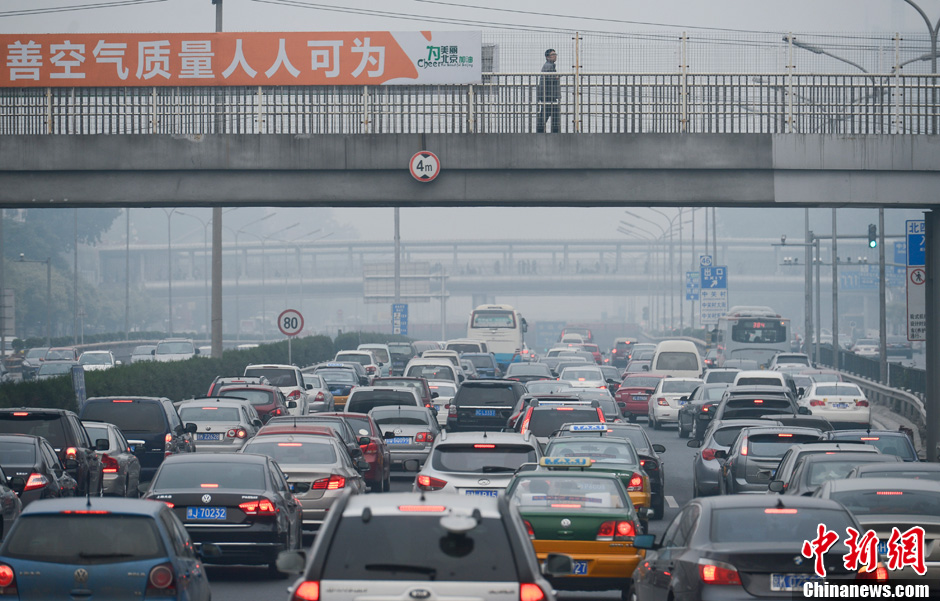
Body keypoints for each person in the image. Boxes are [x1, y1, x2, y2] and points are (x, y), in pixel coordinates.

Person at [536, 49, 560, 133]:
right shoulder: (549, 66)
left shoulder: (548, 65)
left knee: (546, 114)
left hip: (546, 95)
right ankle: (554, 133)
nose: (555, 56)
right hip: (549, 95)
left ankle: (541, 132)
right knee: (553, 115)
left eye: (555, 54)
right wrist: (557, 77)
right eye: (552, 54)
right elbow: (551, 78)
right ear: (547, 57)